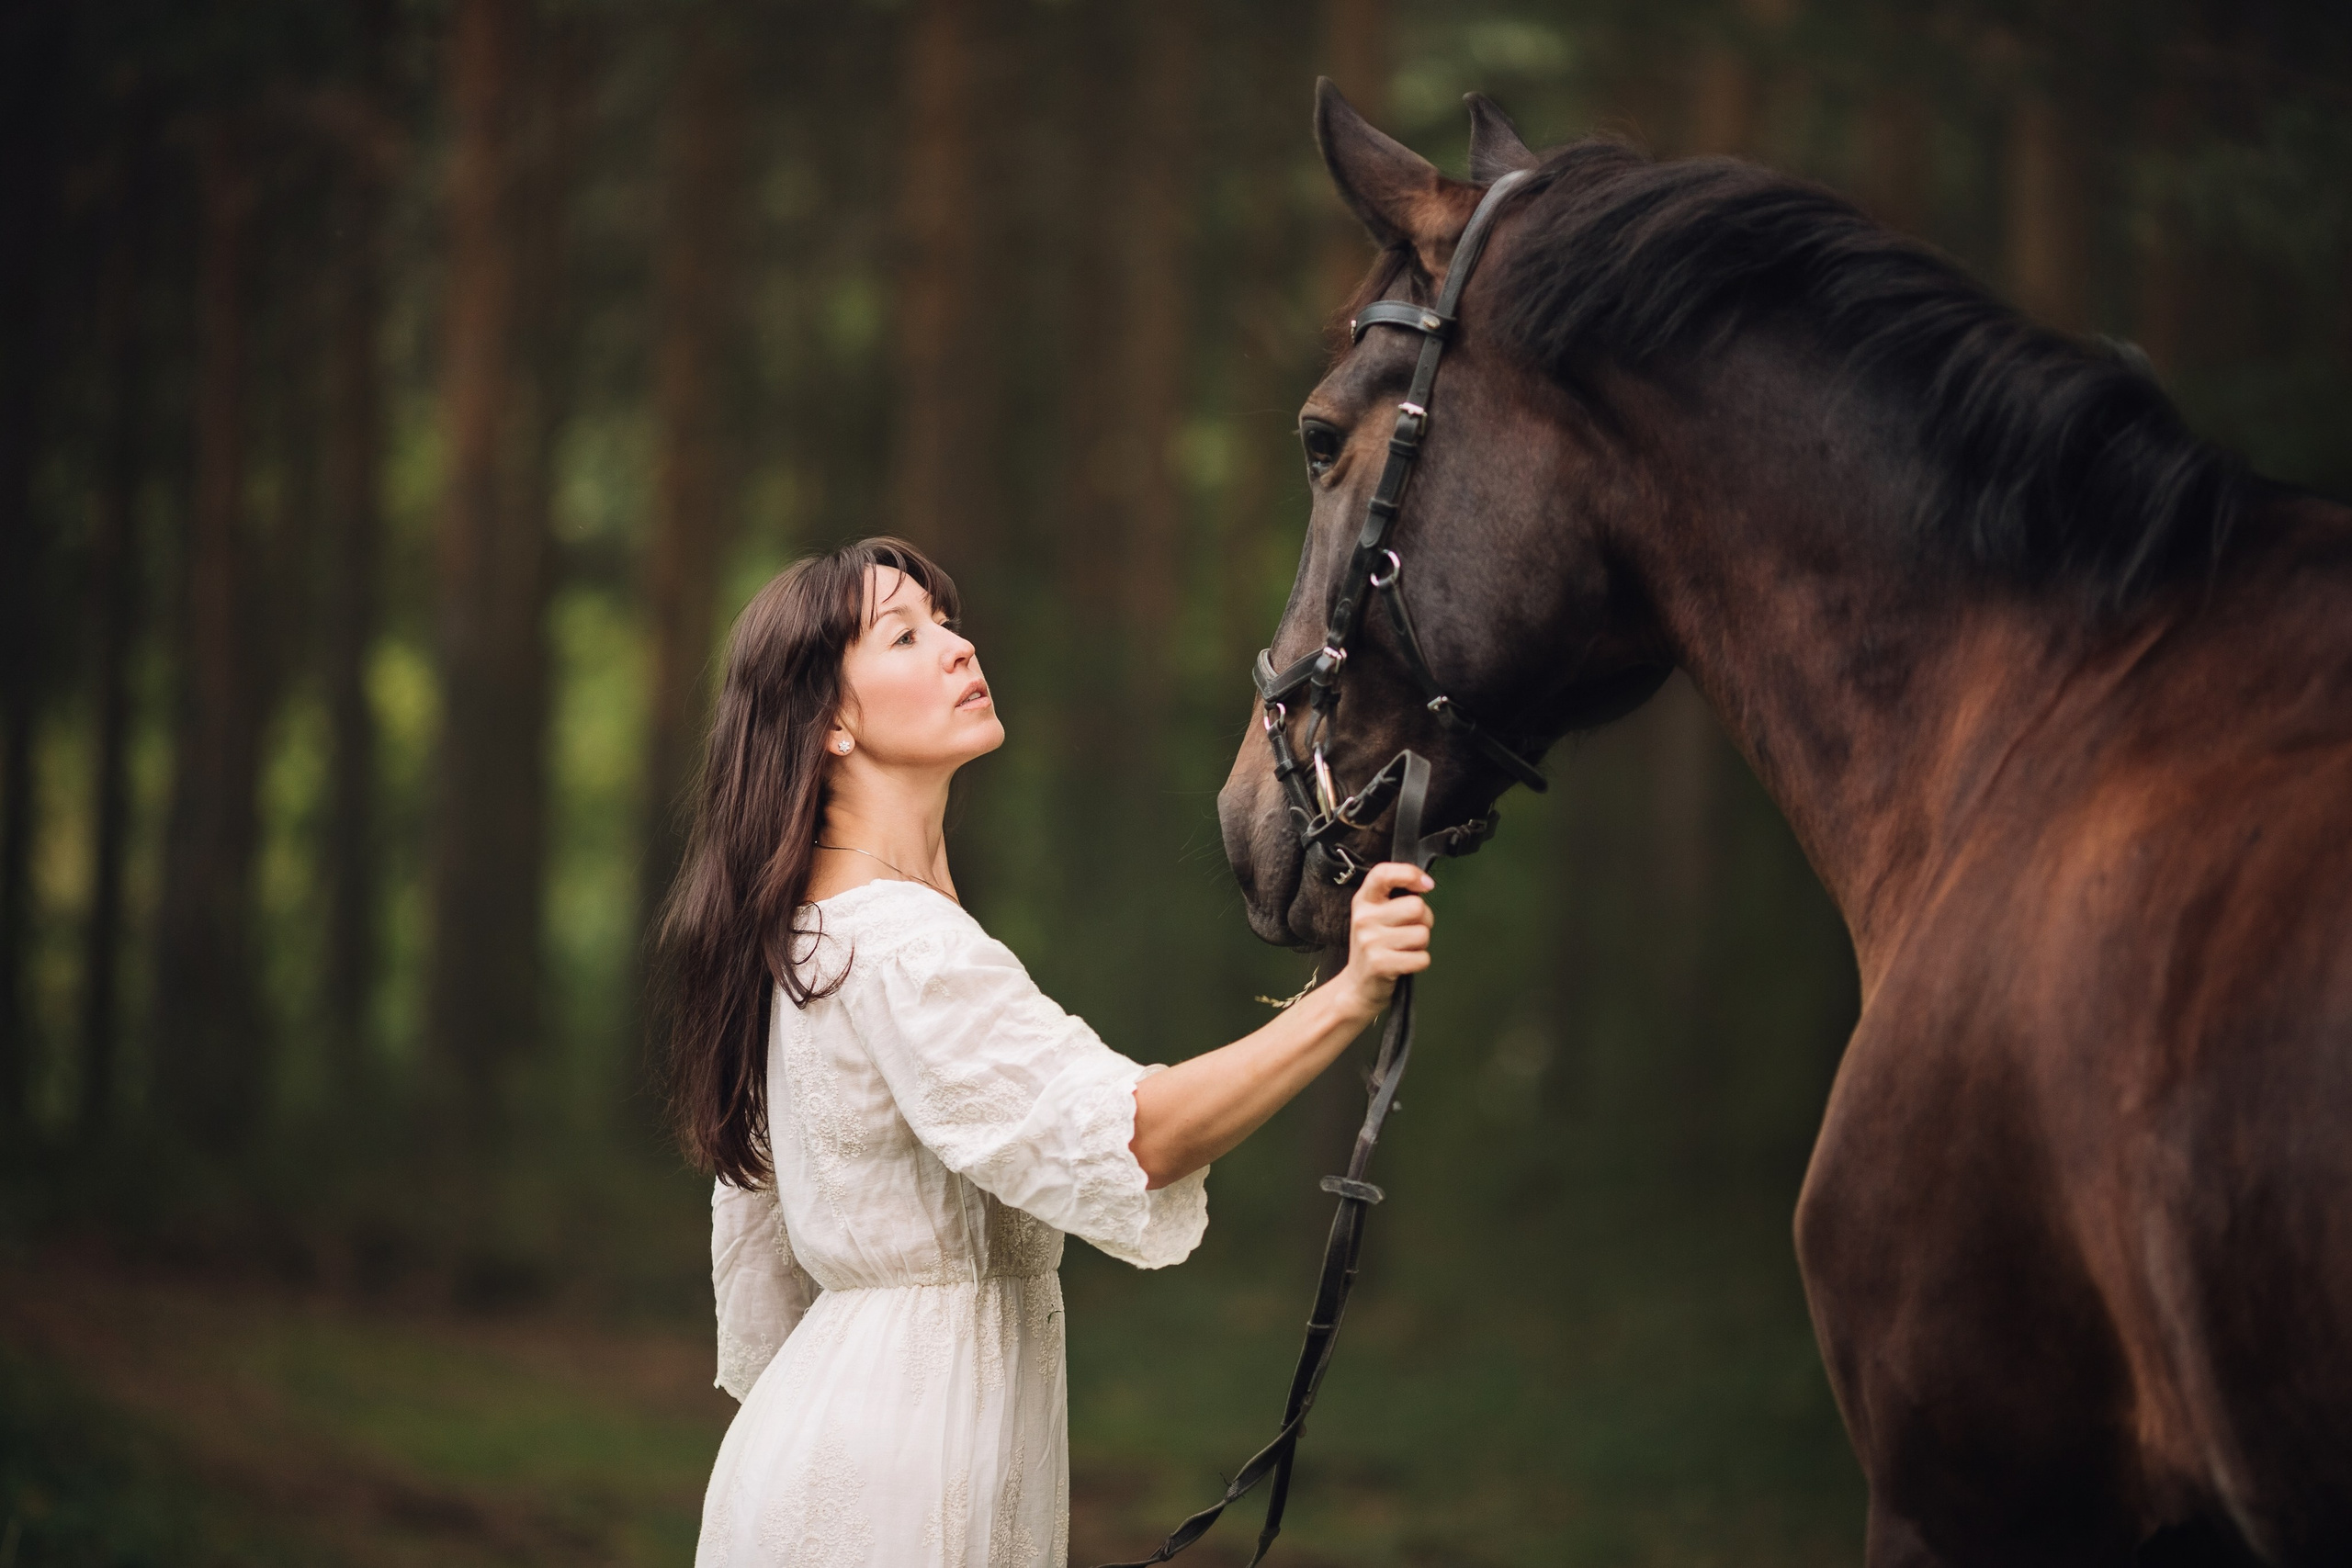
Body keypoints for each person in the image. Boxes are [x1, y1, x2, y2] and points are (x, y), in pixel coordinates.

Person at [660, 536, 1436, 1567]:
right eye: (904, 634)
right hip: (892, 1496)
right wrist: (1347, 997)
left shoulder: (812, 940)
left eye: (946, 619)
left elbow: (774, 1280)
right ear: (830, 721)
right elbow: (1140, 1136)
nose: (957, 645)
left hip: (839, 1459)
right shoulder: (900, 948)